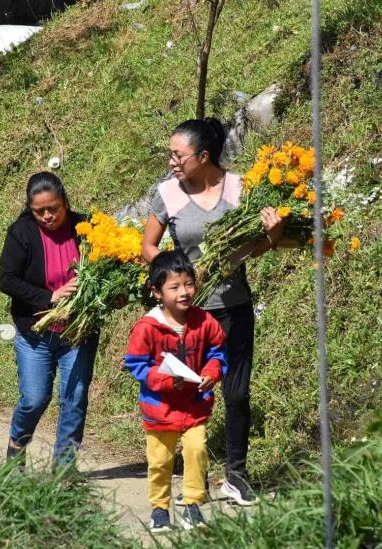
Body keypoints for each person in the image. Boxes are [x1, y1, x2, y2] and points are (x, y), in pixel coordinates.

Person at [141, 118, 284, 505]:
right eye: (170, 153)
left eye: (178, 155)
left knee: (236, 394)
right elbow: (148, 247)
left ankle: (236, 475)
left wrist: (272, 236)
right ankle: (195, 480)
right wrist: (178, 278)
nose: (172, 161)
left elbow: (251, 247)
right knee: (191, 395)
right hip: (188, 315)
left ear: (203, 157)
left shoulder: (239, 189)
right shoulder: (167, 194)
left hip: (234, 306)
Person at [0, 171, 99, 468]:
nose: (47, 216)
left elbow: (104, 271)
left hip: (77, 334)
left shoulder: (86, 229)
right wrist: (50, 297)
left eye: (53, 208)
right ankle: (17, 446)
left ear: (65, 202)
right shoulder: (22, 232)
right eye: (39, 211)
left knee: (74, 398)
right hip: (35, 335)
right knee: (34, 398)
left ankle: (63, 469)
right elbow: (7, 280)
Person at [125, 250, 226, 530]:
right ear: (157, 292)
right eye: (174, 287)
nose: (184, 292)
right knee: (159, 461)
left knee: (196, 451)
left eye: (189, 284)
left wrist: (211, 373)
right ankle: (159, 508)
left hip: (195, 404)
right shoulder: (147, 328)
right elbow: (136, 365)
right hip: (160, 409)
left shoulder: (205, 321)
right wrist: (165, 380)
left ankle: (193, 504)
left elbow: (217, 353)